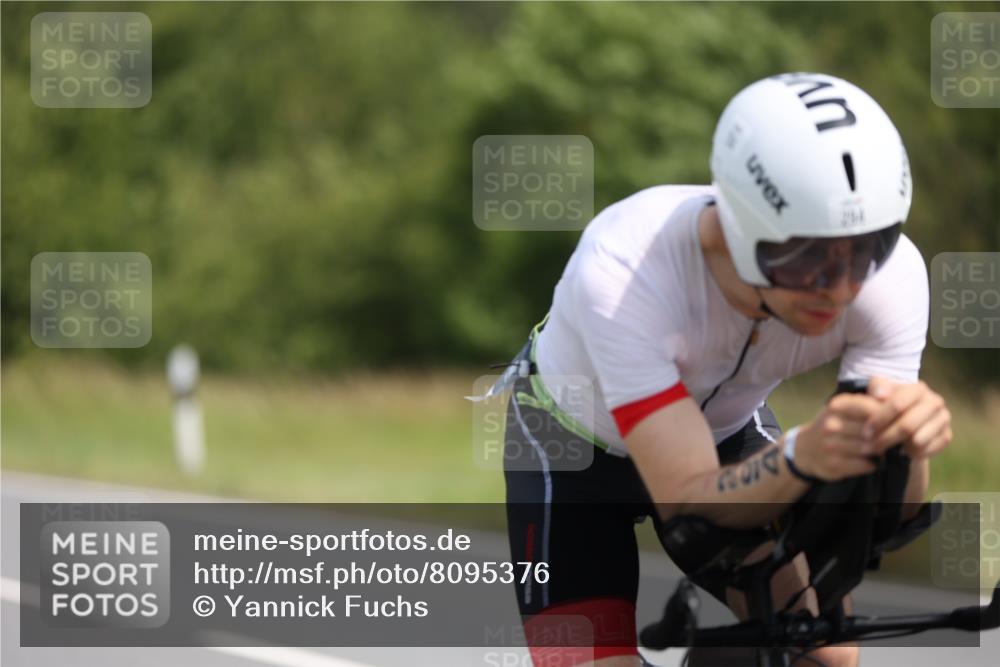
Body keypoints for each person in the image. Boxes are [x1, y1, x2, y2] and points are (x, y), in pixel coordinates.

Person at [501, 73, 954, 667]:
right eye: (805, 257)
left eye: (866, 247)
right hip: (570, 447)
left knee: (825, 653)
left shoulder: (889, 279)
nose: (838, 288)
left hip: (721, 434)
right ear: (739, 225)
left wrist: (909, 447)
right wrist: (797, 458)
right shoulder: (625, 271)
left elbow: (890, 518)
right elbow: (686, 500)